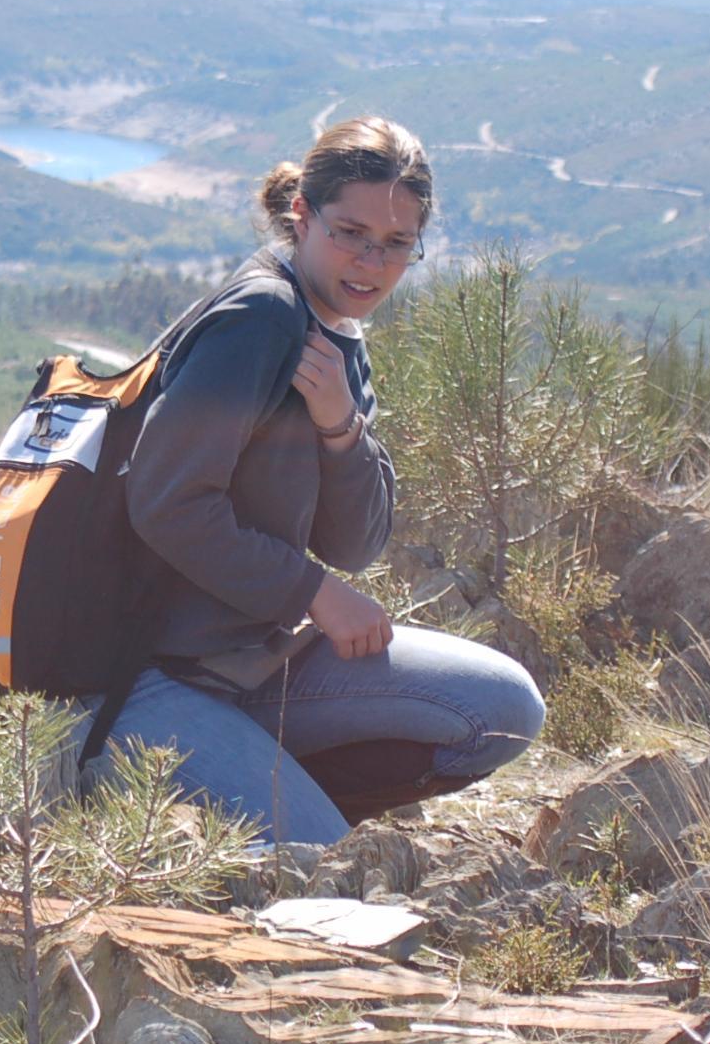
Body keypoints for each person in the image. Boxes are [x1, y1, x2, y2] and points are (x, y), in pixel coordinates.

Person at [78, 116, 545, 844]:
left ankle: (263, 791)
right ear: (303, 214)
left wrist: (340, 427)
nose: (370, 262)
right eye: (350, 232)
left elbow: (355, 542)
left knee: (504, 710)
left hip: (253, 665)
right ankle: (229, 805)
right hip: (144, 681)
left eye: (396, 245)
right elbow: (168, 505)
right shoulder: (261, 318)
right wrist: (313, 593)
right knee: (328, 875)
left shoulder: (334, 329)